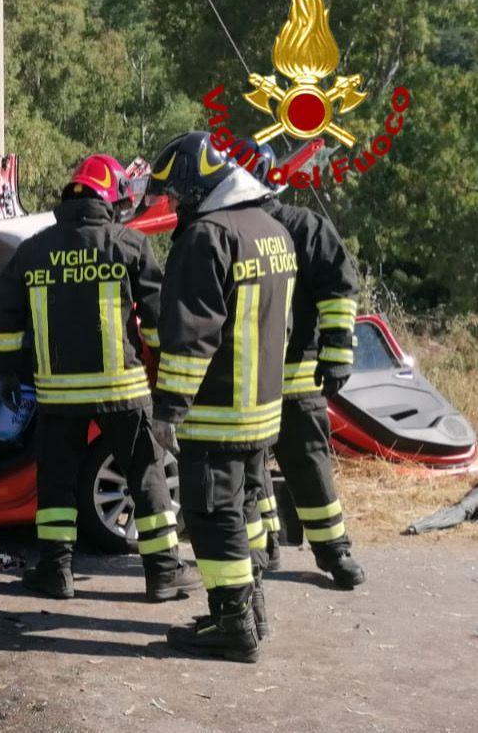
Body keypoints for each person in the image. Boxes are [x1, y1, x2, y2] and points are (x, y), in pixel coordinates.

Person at [0, 154, 200, 602]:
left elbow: (5, 318)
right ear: (109, 198)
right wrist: (165, 365)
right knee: (146, 475)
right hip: (122, 391)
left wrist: (9, 373)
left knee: (57, 483)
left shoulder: (34, 250)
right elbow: (158, 318)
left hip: (57, 395)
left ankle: (56, 572)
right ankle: (164, 572)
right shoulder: (128, 244)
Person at [146, 132, 296, 663]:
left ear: (198, 184)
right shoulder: (272, 229)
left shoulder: (207, 237)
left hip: (216, 412)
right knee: (247, 509)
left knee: (213, 515)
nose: (178, 207)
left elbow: (192, 335)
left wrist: (169, 410)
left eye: (179, 196)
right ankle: (250, 612)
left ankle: (233, 627)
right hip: (262, 410)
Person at [239, 139, 367, 589]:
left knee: (295, 469)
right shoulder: (241, 229)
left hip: (278, 380)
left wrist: (336, 355)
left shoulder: (299, 226)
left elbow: (339, 290)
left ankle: (333, 552)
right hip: (258, 381)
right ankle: (271, 551)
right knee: (270, 471)